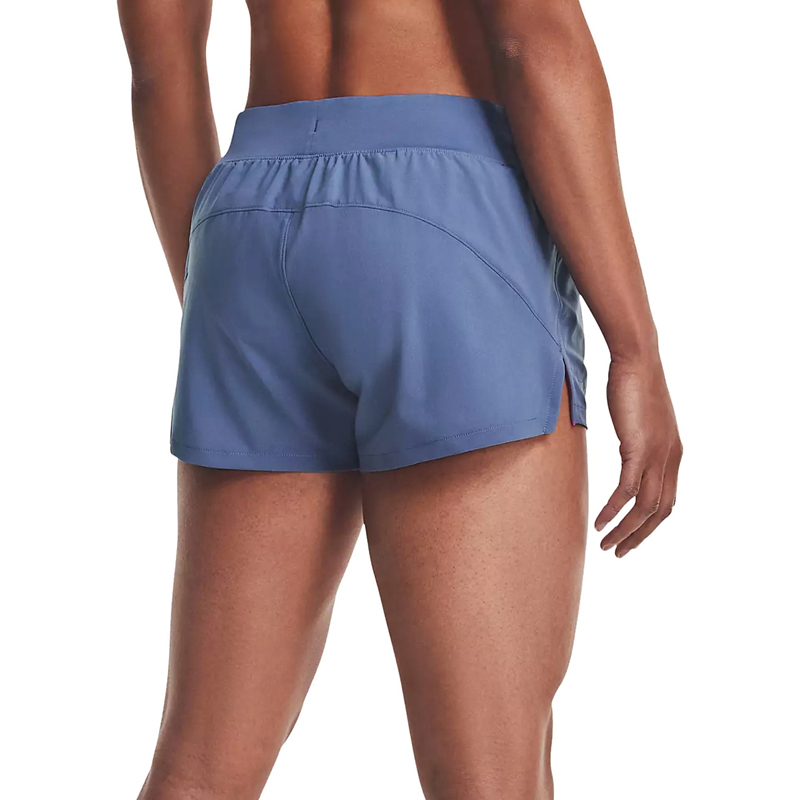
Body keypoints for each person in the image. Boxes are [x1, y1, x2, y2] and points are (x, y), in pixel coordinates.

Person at [118, 0, 682, 798]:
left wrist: (230, 303)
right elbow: (534, 41)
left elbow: (159, 74)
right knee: (488, 776)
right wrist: (635, 348)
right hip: (440, 208)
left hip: (246, 216)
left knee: (199, 770)